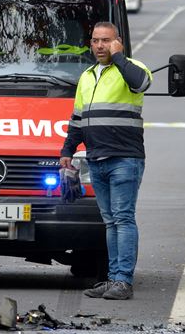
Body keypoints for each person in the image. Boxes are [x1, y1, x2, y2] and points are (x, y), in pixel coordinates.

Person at [59, 22, 151, 301]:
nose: (100, 46)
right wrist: (67, 149)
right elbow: (78, 118)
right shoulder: (87, 76)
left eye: (107, 41)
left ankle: (123, 281)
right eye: (96, 40)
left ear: (118, 42)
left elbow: (141, 84)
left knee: (123, 219)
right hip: (96, 158)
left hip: (124, 158)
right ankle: (112, 279)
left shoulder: (132, 68)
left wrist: (119, 57)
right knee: (110, 222)